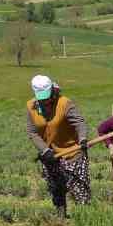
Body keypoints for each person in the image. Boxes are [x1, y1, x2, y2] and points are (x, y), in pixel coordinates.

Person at [25, 74, 89, 216]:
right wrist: (45, 150)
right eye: (41, 98)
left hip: (72, 152)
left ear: (52, 90)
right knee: (56, 189)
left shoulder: (64, 103)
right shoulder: (31, 106)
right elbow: (32, 132)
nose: (45, 100)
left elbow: (79, 123)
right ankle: (61, 217)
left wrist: (83, 139)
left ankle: (85, 217)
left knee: (80, 189)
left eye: (47, 96)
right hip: (51, 156)